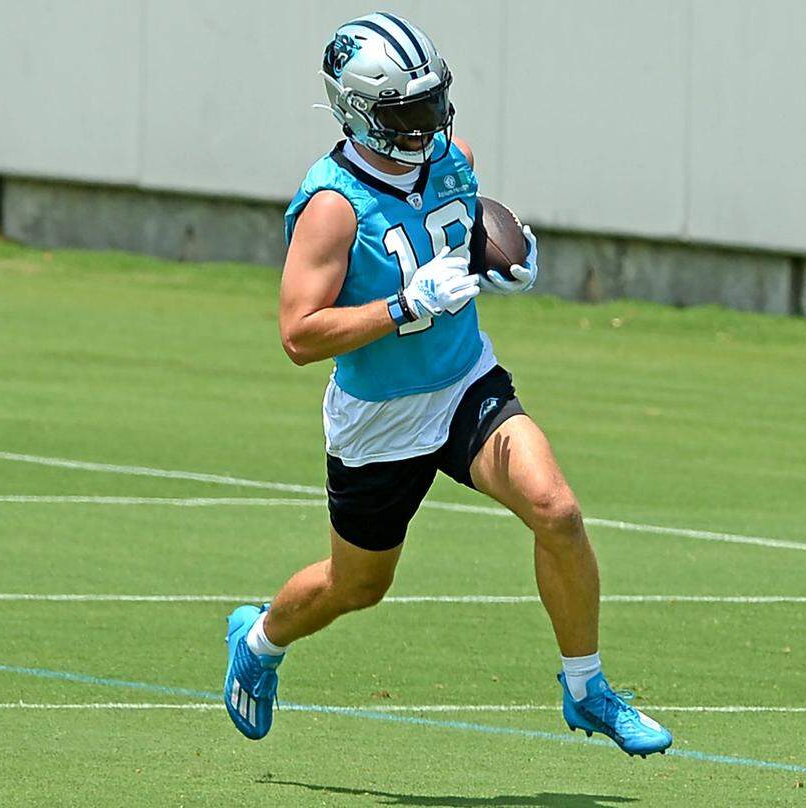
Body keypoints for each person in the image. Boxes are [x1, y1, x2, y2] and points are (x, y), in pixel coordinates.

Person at [221, 11, 672, 759]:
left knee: (556, 510)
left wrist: (506, 253)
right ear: (357, 113)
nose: (427, 123)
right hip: (380, 419)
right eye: (407, 111)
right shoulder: (333, 206)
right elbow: (300, 334)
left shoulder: (451, 157)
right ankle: (262, 640)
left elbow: (464, 233)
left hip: (465, 383)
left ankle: (587, 688)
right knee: (356, 586)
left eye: (433, 102)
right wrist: (403, 306)